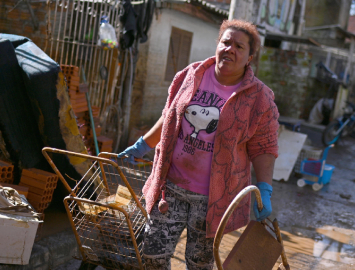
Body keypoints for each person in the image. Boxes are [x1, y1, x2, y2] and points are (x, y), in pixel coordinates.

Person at [118, 19, 279, 269]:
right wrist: (142, 145)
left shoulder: (259, 98)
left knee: (198, 264)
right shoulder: (192, 75)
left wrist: (264, 188)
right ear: (218, 44)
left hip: (214, 199)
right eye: (226, 42)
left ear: (250, 57)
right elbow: (169, 117)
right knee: (151, 257)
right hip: (170, 188)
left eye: (239, 46)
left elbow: (264, 148)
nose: (230, 49)